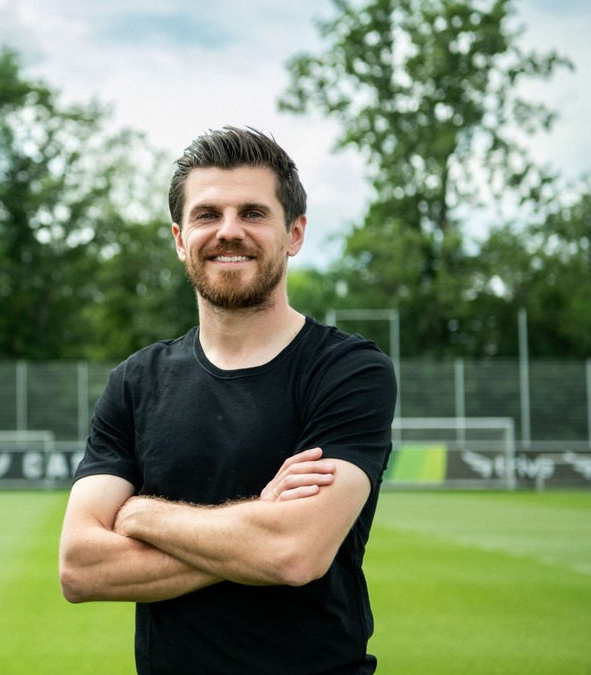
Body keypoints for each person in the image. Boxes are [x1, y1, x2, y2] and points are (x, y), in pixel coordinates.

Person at [58, 126, 397, 675]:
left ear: (294, 233)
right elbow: (80, 567)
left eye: (253, 213)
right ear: (178, 237)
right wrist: (257, 528)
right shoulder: (135, 382)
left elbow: (294, 555)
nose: (229, 231)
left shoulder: (348, 371)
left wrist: (140, 513)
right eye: (207, 214)